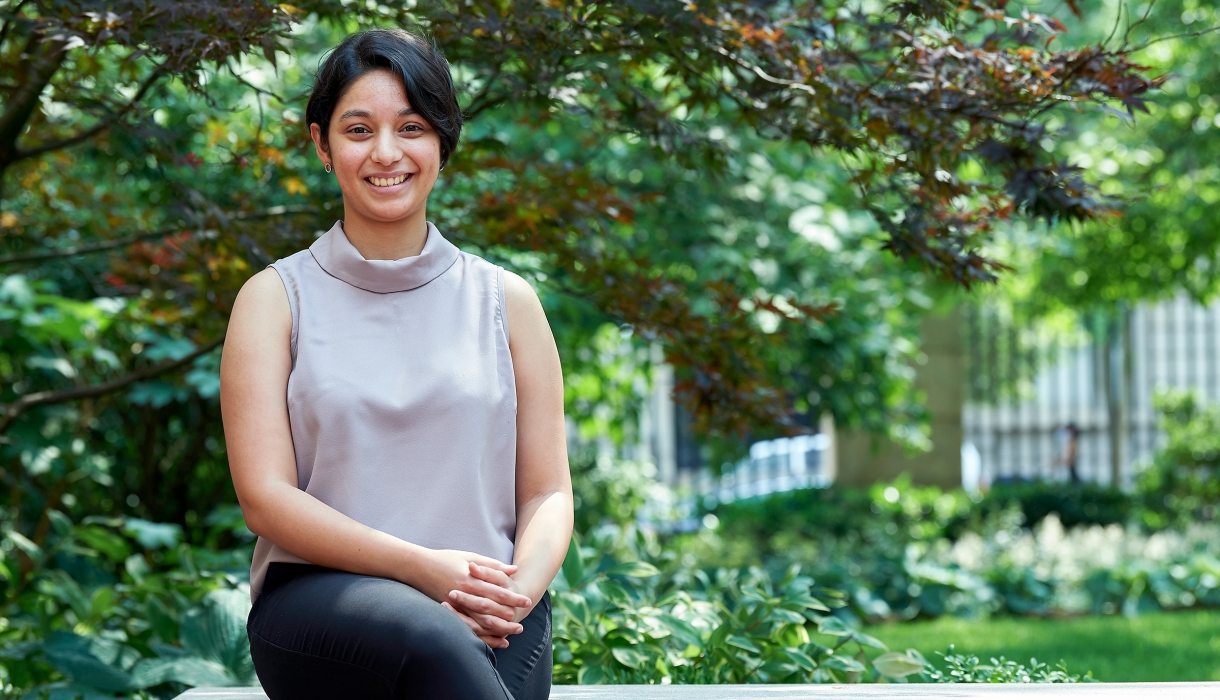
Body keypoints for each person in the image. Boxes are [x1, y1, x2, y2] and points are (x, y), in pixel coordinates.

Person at [219, 28, 573, 700]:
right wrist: (423, 571)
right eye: (358, 129)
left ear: (443, 141)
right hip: (320, 601)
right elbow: (265, 499)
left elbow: (547, 493)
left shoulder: (508, 302)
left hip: (493, 602)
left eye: (410, 127)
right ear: (321, 145)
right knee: (434, 644)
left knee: (463, 664)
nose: (386, 153)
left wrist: (518, 591)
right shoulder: (274, 300)